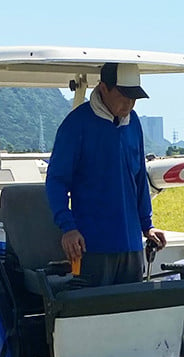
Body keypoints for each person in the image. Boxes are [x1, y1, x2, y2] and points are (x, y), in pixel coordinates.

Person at [45, 62, 166, 286]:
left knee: (130, 314)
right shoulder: (76, 124)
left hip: (131, 245)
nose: (129, 103)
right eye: (123, 95)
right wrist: (68, 227)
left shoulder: (134, 124)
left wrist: (147, 225)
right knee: (95, 314)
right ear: (103, 88)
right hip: (93, 246)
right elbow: (56, 181)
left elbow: (139, 179)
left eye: (134, 97)